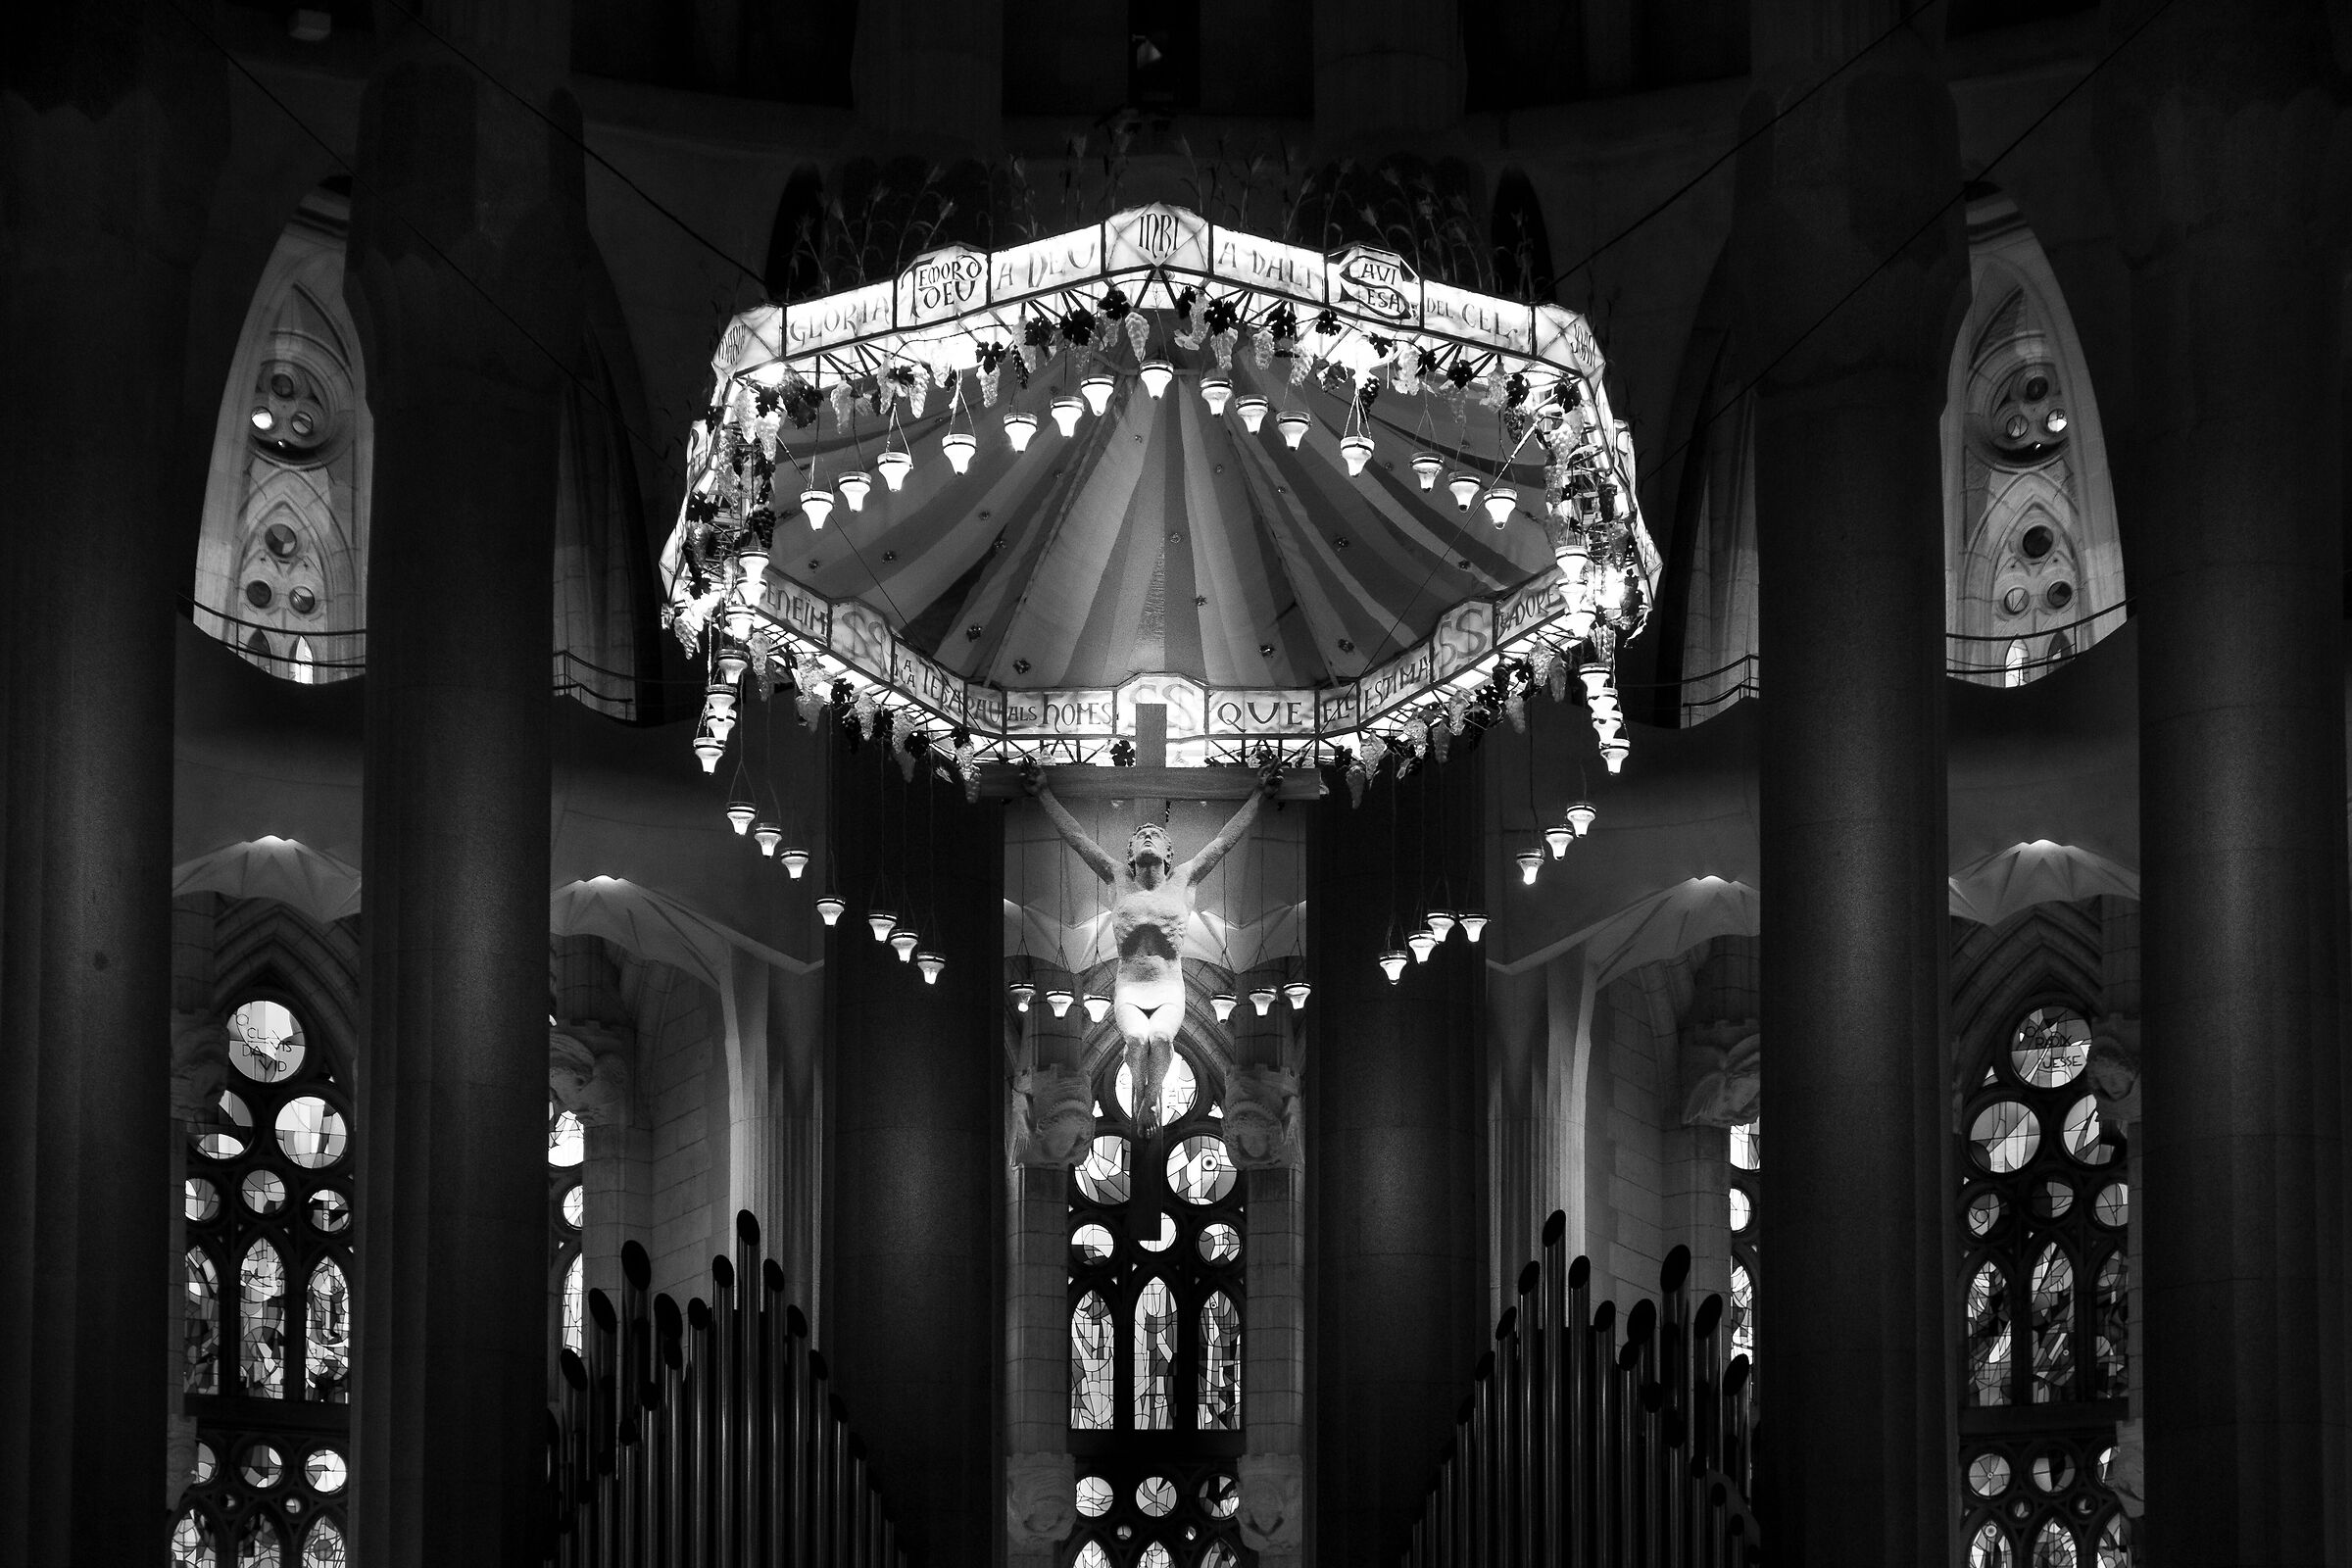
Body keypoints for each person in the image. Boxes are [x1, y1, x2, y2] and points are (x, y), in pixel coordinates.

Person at [1028, 764, 1278, 1131]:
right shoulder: (1117, 878)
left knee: (1159, 1037)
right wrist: (1043, 793)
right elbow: (1078, 838)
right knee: (1134, 1039)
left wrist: (1258, 795)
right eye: (1141, 836)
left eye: (1155, 835)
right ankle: (1140, 1097)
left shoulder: (1184, 879)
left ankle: (1150, 1099)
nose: (1147, 837)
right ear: (1130, 854)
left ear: (1168, 853)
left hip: (1167, 987)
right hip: (1130, 987)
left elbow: (1224, 841)